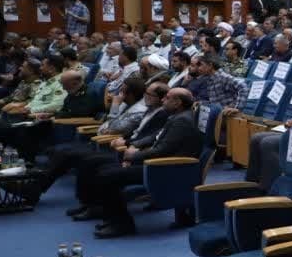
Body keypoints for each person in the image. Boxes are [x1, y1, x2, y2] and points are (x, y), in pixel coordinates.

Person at [83, 88, 203, 237]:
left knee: (107, 176)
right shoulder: (177, 116)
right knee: (103, 170)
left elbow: (162, 150)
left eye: (167, 98)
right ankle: (112, 217)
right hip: (158, 163)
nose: (163, 100)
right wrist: (134, 151)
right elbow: (156, 139)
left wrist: (133, 157)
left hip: (166, 169)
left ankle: (121, 224)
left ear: (177, 102)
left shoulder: (182, 121)